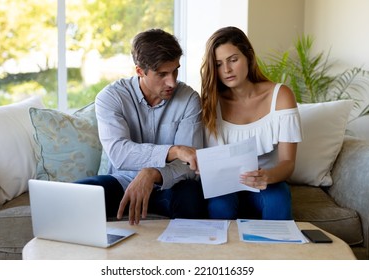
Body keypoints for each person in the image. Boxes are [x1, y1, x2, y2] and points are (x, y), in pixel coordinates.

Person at [77, 29, 206, 225]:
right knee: (77, 196)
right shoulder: (111, 97)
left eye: (175, 70)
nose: (172, 81)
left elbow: (190, 165)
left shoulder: (188, 98)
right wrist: (174, 150)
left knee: (191, 194)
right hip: (123, 182)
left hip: (169, 184)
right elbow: (120, 153)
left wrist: (153, 174)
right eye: (162, 74)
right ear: (139, 71)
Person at [200, 26, 302, 220]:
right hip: (225, 184)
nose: (227, 70)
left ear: (248, 56)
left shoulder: (280, 95)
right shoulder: (211, 102)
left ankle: (277, 251)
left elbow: (288, 163)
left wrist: (267, 177)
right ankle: (222, 251)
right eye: (219, 64)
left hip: (268, 182)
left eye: (233, 60)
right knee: (220, 206)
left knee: (278, 201)